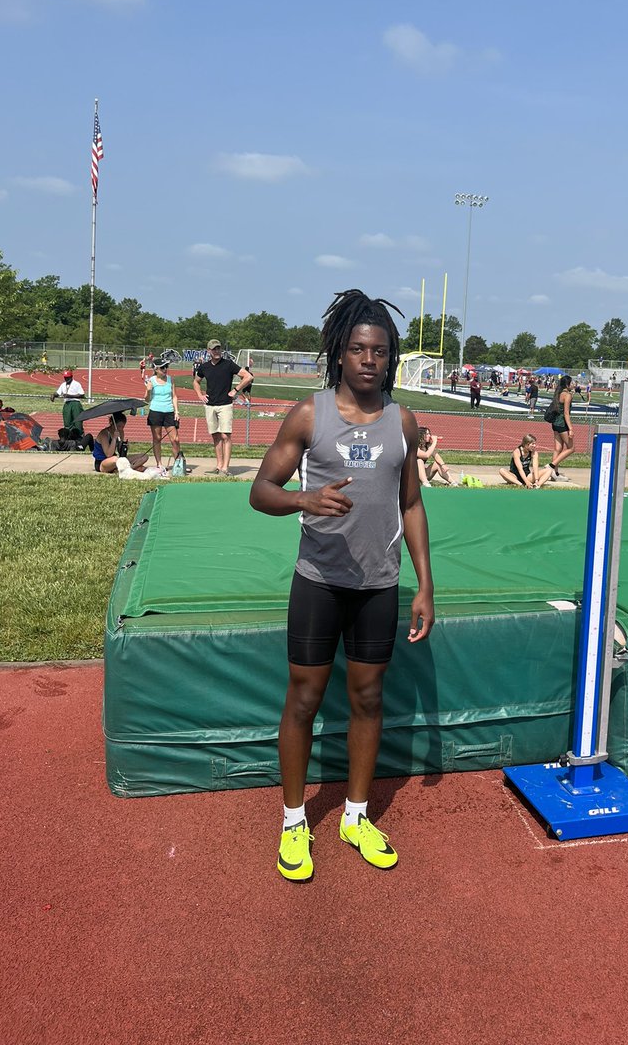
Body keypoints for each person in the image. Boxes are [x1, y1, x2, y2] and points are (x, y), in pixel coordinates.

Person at [250, 289, 434, 883]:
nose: (368, 359)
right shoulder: (310, 415)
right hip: (320, 583)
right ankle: (294, 820)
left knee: (368, 698)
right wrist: (303, 499)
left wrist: (425, 585)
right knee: (304, 699)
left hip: (379, 585)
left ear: (390, 358)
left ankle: (356, 816)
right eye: (357, 348)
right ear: (339, 352)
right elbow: (261, 491)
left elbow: (411, 504)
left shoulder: (402, 422)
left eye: (379, 351)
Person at [192, 340, 253, 476]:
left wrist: (235, 390)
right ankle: (219, 466)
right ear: (209, 351)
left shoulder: (228, 364)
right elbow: (196, 381)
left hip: (225, 404)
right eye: (214, 349)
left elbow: (248, 377)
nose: (216, 351)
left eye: (218, 348)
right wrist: (200, 395)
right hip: (210, 405)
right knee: (215, 436)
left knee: (225, 435)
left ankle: (225, 468)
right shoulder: (204, 367)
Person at [144, 359, 181, 472]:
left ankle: (178, 464)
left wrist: (176, 411)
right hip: (155, 411)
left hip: (169, 411)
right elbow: (146, 399)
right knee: (157, 438)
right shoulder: (151, 380)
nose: (165, 369)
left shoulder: (170, 379)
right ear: (156, 369)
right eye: (162, 367)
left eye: (166, 367)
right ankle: (159, 464)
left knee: (175, 439)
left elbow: (174, 396)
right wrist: (148, 390)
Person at [546, 374, 575, 481]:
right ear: (567, 385)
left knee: (558, 449)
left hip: (555, 423)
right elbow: (566, 413)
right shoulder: (567, 395)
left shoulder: (559, 393)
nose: (573, 384)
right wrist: (570, 428)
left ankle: (555, 474)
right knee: (571, 448)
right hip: (562, 424)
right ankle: (551, 466)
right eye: (572, 383)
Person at [50, 369, 86, 435]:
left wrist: (70, 396)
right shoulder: (63, 385)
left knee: (77, 422)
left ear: (71, 377)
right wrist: (53, 395)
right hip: (67, 404)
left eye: (68, 377)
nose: (66, 379)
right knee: (67, 421)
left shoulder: (76, 384)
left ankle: (79, 436)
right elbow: (58, 393)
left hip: (75, 403)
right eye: (65, 377)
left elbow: (82, 395)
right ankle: (68, 436)